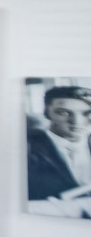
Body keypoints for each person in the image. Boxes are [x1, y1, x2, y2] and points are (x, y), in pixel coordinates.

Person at [27, 83, 91, 217]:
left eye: (87, 113)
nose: (77, 121)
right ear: (47, 113)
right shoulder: (26, 147)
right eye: (64, 113)